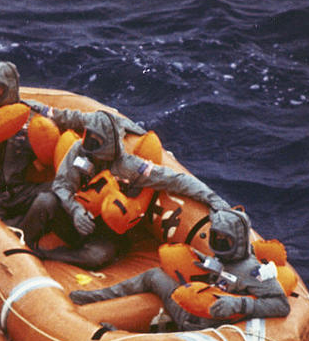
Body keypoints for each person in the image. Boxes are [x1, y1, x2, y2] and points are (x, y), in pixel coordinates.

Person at [0, 60, 142, 247]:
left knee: (54, 196)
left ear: (10, 88)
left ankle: (102, 234)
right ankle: (14, 243)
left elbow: (73, 117)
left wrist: (116, 122)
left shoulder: (33, 112)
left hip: (20, 191)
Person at [39, 111, 233, 269]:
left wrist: (213, 199)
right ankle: (23, 241)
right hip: (74, 212)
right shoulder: (78, 150)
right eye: (88, 137)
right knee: (43, 200)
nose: (88, 144)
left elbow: (176, 180)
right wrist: (74, 210)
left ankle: (48, 256)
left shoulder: (130, 167)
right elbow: (61, 185)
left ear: (108, 145)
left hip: (105, 229)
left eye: (96, 141)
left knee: (96, 256)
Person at [68, 208, 290, 330]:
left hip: (206, 323)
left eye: (226, 241)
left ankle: (119, 336)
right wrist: (205, 262)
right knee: (154, 275)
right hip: (194, 304)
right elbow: (222, 272)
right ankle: (95, 296)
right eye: (216, 238)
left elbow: (281, 305)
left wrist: (239, 304)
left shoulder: (254, 272)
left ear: (238, 241)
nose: (220, 245)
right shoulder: (225, 257)